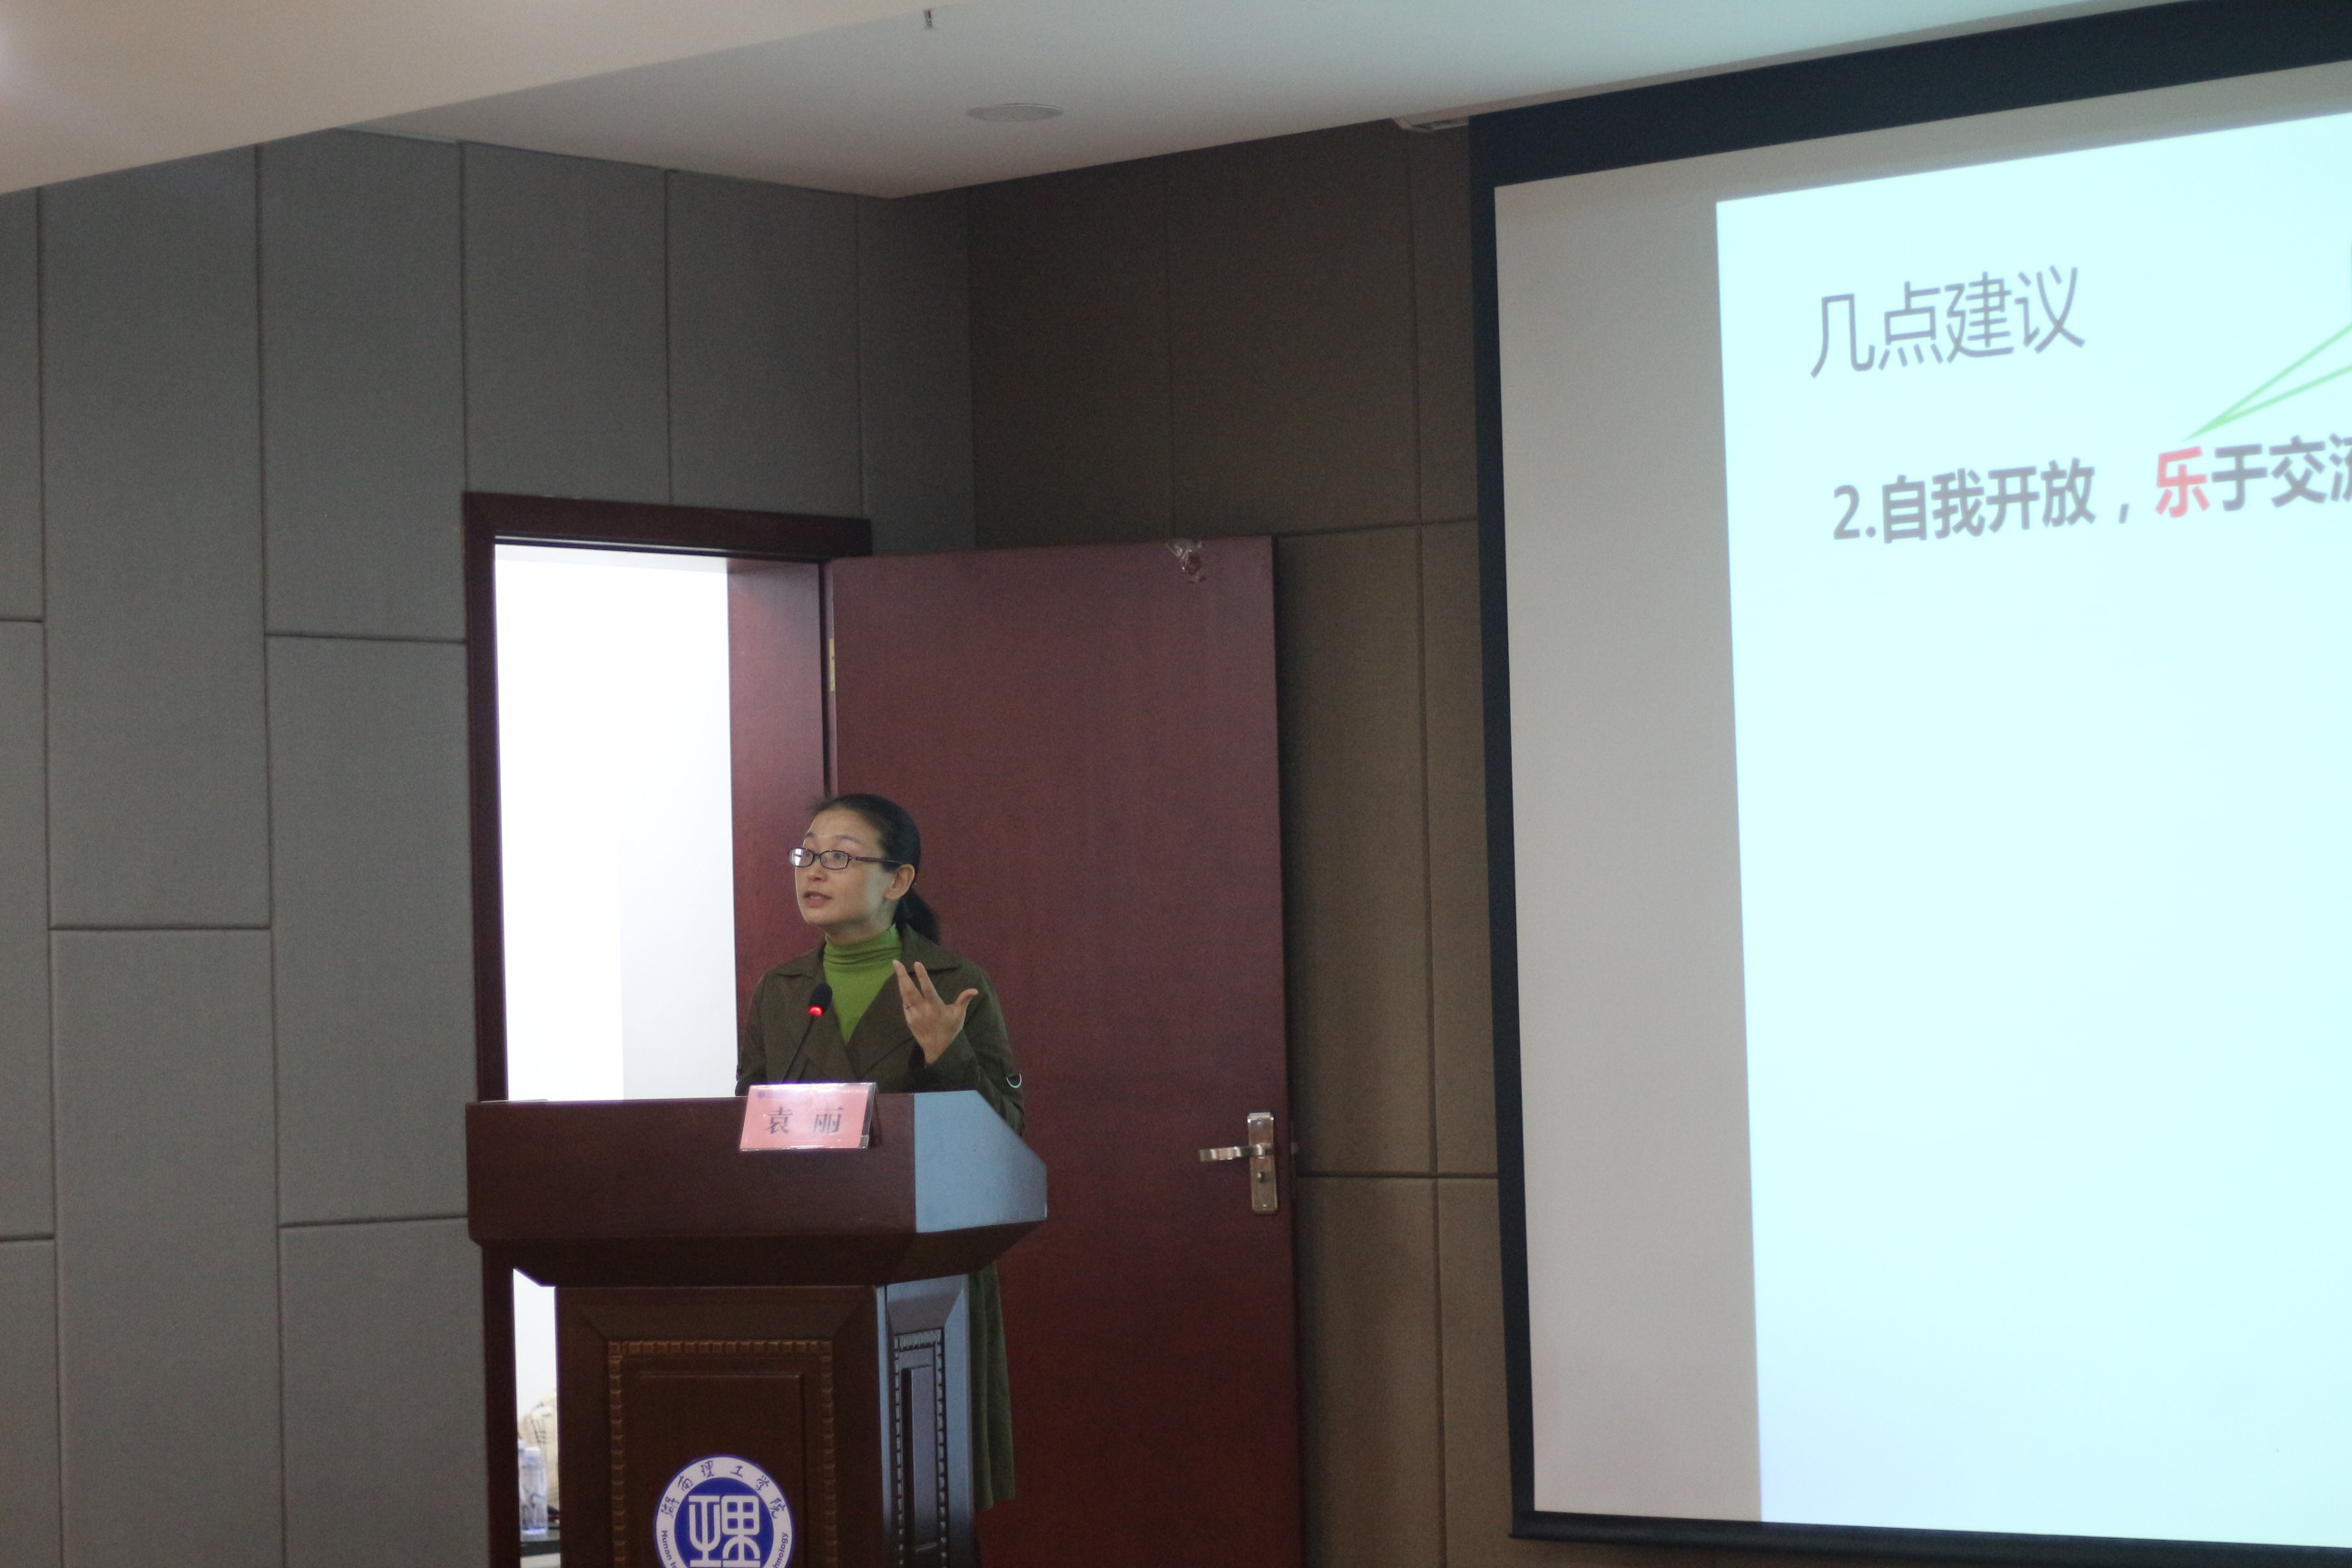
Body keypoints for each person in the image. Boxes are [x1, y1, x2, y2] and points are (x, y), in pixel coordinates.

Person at [735, 792, 1024, 1510]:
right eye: (807, 853)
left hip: (924, 1268)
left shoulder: (952, 984)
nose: (813, 870)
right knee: (826, 1487)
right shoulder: (783, 991)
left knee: (923, 1491)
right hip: (811, 1262)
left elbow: (1005, 1134)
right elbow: (746, 1119)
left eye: (838, 856)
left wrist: (949, 1055)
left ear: (898, 879)